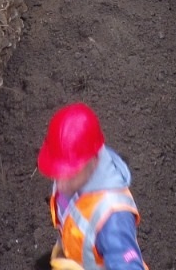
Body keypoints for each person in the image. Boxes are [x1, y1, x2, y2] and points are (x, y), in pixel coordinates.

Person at [36, 103, 147, 269]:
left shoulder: (113, 218)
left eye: (69, 174)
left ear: (94, 161)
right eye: (57, 172)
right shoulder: (72, 179)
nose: (60, 184)